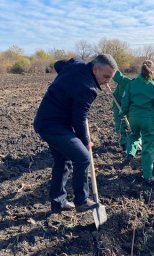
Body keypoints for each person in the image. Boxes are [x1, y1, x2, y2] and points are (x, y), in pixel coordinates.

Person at [33, 54, 118, 213]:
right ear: (95, 69)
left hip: (47, 121)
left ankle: (58, 202)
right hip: (53, 126)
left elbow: (59, 64)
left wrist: (67, 79)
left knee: (63, 162)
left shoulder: (76, 63)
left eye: (111, 78)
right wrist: (86, 142)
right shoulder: (88, 88)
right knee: (83, 158)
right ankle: (81, 200)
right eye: (106, 76)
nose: (108, 81)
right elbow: (78, 119)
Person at [120, 60, 154, 184]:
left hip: (133, 117)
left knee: (134, 135)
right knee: (148, 147)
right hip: (148, 119)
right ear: (152, 71)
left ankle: (130, 153)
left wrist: (123, 112)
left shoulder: (132, 84)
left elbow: (125, 100)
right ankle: (147, 176)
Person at [112, 55, 154, 152]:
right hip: (120, 102)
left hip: (132, 105)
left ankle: (135, 142)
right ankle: (124, 143)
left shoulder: (152, 79)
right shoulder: (131, 83)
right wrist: (109, 69)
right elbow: (118, 76)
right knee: (123, 123)